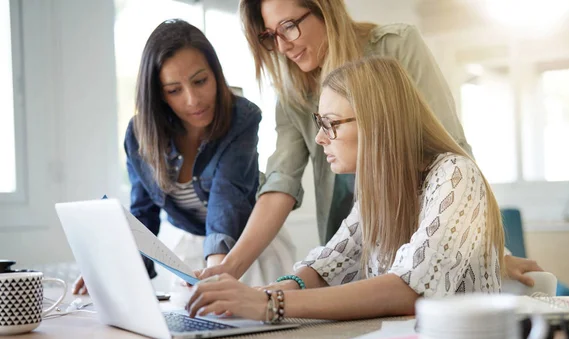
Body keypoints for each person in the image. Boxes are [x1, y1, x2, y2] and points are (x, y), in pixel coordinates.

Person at [197, 0, 542, 287]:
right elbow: (281, 182)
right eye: (270, 36)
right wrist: (231, 269)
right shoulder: (292, 92)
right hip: (359, 248)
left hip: (422, 241)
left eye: (289, 26)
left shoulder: (395, 47)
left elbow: (449, 147)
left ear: (323, 9)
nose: (283, 46)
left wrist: (476, 248)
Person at [186, 56, 504, 321]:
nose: (320, 138)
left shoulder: (455, 175)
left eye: (331, 123)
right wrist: (264, 293)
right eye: (319, 123)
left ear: (377, 122)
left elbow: (410, 290)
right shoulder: (377, 190)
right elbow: (326, 268)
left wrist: (271, 304)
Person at [72, 19, 294, 294]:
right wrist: (110, 270)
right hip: (189, 250)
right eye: (174, 90)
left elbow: (227, 200)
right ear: (159, 95)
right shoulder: (139, 134)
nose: (193, 100)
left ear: (216, 74)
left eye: (200, 81)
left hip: (248, 248)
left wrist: (217, 273)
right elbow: (143, 216)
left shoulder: (242, 117)